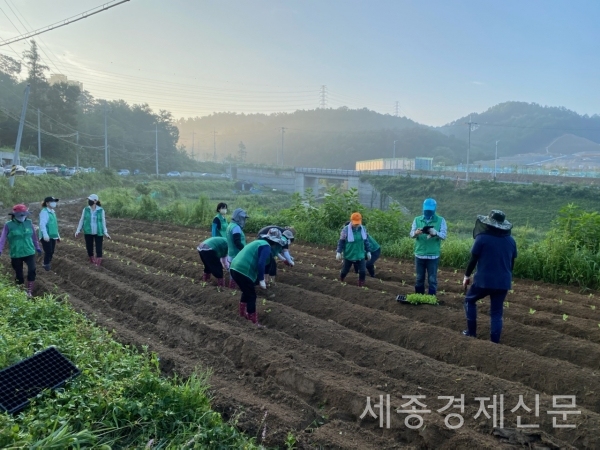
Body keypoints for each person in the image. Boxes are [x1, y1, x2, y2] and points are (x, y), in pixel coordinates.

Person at [462, 210, 517, 344]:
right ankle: (494, 342)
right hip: (503, 281)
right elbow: (511, 264)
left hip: (484, 280)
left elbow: (473, 259)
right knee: (497, 312)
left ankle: (471, 333)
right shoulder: (511, 241)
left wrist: (466, 276)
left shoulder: (482, 238)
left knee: (469, 300)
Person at [230, 228, 286, 326]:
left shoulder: (259, 242)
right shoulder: (266, 246)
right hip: (244, 270)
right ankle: (253, 322)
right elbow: (261, 263)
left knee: (247, 292)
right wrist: (261, 280)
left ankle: (242, 314)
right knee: (252, 295)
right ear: (274, 242)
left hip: (234, 268)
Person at [0, 204, 42, 296]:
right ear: (14, 215)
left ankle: (29, 291)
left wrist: (37, 247)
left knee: (32, 269)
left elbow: (34, 236)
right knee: (19, 274)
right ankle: (21, 291)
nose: (22, 217)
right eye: (20, 215)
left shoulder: (29, 223)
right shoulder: (9, 225)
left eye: (24, 215)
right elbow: (2, 239)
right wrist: (0, 249)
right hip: (16, 253)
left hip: (29, 251)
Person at [409, 198, 447, 295]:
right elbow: (411, 234)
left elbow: (444, 236)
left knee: (432, 279)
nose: (428, 212)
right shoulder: (417, 219)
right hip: (419, 254)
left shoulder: (440, 220)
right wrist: (416, 233)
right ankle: (419, 297)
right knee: (419, 278)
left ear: (434, 210)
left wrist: (435, 233)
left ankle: (431, 298)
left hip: (433, 255)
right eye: (426, 210)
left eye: (430, 210)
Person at [75, 194, 111, 266]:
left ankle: (98, 261)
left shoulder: (101, 210)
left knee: (99, 247)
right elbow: (82, 220)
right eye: (89, 200)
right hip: (88, 231)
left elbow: (103, 221)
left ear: (95, 201)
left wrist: (105, 232)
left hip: (98, 231)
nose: (89, 201)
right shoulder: (86, 209)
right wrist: (78, 230)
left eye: (90, 200)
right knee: (89, 246)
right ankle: (91, 258)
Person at [336, 212, 371, 287]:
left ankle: (361, 285)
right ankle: (341, 278)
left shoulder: (363, 229)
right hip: (349, 254)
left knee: (363, 271)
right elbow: (341, 241)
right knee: (345, 270)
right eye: (355, 223)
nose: (356, 225)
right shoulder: (345, 230)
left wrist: (368, 251)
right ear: (351, 221)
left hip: (360, 254)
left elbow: (366, 241)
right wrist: (339, 252)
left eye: (358, 223)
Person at [226, 208, 249, 288]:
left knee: (233, 273)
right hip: (237, 254)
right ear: (238, 217)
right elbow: (237, 242)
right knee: (238, 273)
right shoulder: (236, 227)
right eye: (243, 218)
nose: (244, 220)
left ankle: (232, 290)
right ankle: (236, 290)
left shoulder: (230, 225)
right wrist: (245, 251)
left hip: (231, 254)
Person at [38, 196, 61, 271]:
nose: (54, 203)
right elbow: (42, 224)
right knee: (48, 251)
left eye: (55, 201)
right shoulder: (44, 212)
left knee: (52, 251)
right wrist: (44, 234)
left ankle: (47, 263)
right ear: (47, 203)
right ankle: (46, 265)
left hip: (53, 235)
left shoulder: (52, 212)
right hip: (46, 236)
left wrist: (57, 235)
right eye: (52, 202)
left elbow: (54, 225)